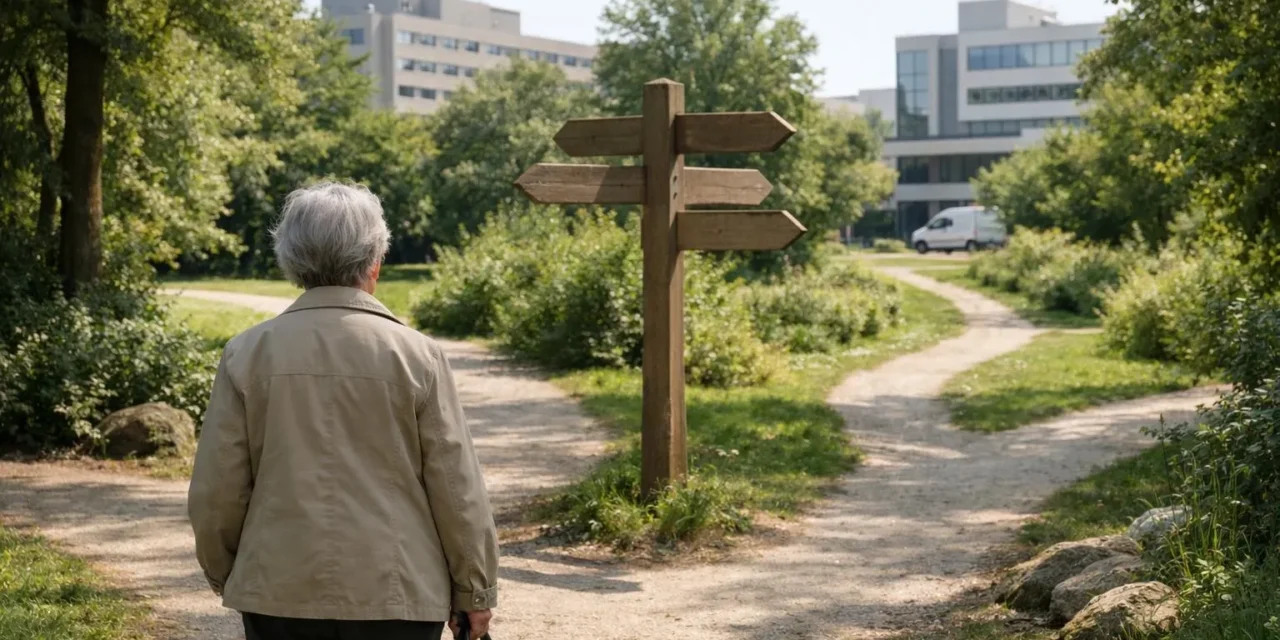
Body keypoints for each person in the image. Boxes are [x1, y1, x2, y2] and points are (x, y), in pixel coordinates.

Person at [188, 182, 498, 640]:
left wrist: (229, 572)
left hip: (278, 588)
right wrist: (474, 591)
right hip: (398, 594)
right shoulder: (418, 355)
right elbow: (456, 488)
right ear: (375, 260)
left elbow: (218, 489)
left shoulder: (246, 353)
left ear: (291, 259)